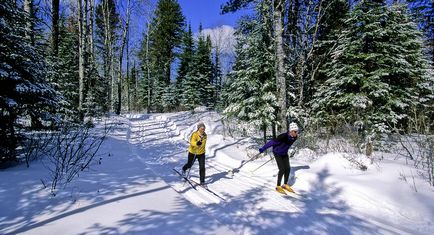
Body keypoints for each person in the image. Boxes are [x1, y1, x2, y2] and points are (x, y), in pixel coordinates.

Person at [259, 122, 299, 194]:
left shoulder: (295, 137)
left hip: (284, 153)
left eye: (297, 131)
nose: (297, 133)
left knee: (288, 168)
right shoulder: (282, 136)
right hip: (277, 153)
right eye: (295, 131)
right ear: (291, 131)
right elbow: (272, 142)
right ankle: (278, 186)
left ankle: (285, 184)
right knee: (282, 169)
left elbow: (288, 143)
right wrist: (263, 148)